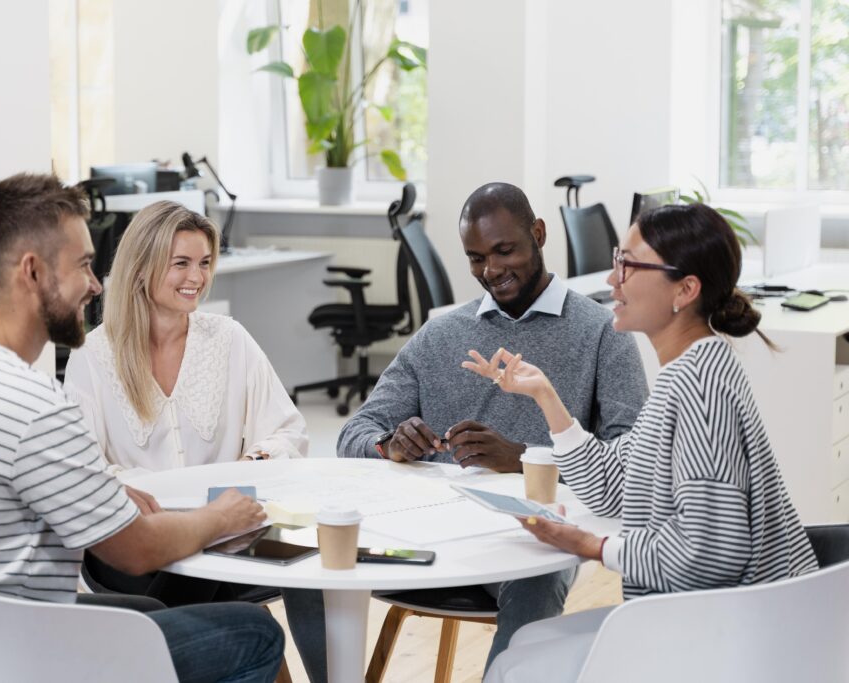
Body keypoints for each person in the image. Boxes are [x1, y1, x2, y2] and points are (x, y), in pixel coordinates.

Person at [0, 173, 284, 683]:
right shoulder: (33, 405)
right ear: (33, 272)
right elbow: (136, 550)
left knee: (155, 614)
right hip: (19, 654)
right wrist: (222, 516)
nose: (95, 283)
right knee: (254, 631)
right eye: (84, 265)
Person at [467, 203, 818, 682]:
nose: (613, 281)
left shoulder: (698, 389)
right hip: (719, 621)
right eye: (617, 260)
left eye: (628, 265)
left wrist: (594, 546)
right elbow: (612, 486)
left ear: (685, 289)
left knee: (518, 665)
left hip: (732, 637)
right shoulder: (691, 371)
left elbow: (709, 555)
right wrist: (546, 395)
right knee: (524, 647)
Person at [331, 182, 649, 671]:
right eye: (476, 258)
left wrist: (523, 459)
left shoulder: (604, 333)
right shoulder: (440, 335)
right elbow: (354, 433)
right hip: (432, 532)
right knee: (317, 556)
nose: (492, 271)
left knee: (535, 585)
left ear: (538, 234)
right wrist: (387, 444)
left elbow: (631, 463)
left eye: (505, 250)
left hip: (533, 538)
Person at [62, 200, 323, 680]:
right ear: (142, 267)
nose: (197, 278)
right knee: (249, 616)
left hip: (226, 536)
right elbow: (84, 472)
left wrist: (253, 462)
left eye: (204, 263)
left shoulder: (228, 339)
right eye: (180, 263)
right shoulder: (94, 356)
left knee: (311, 563)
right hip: (134, 549)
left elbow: (286, 430)